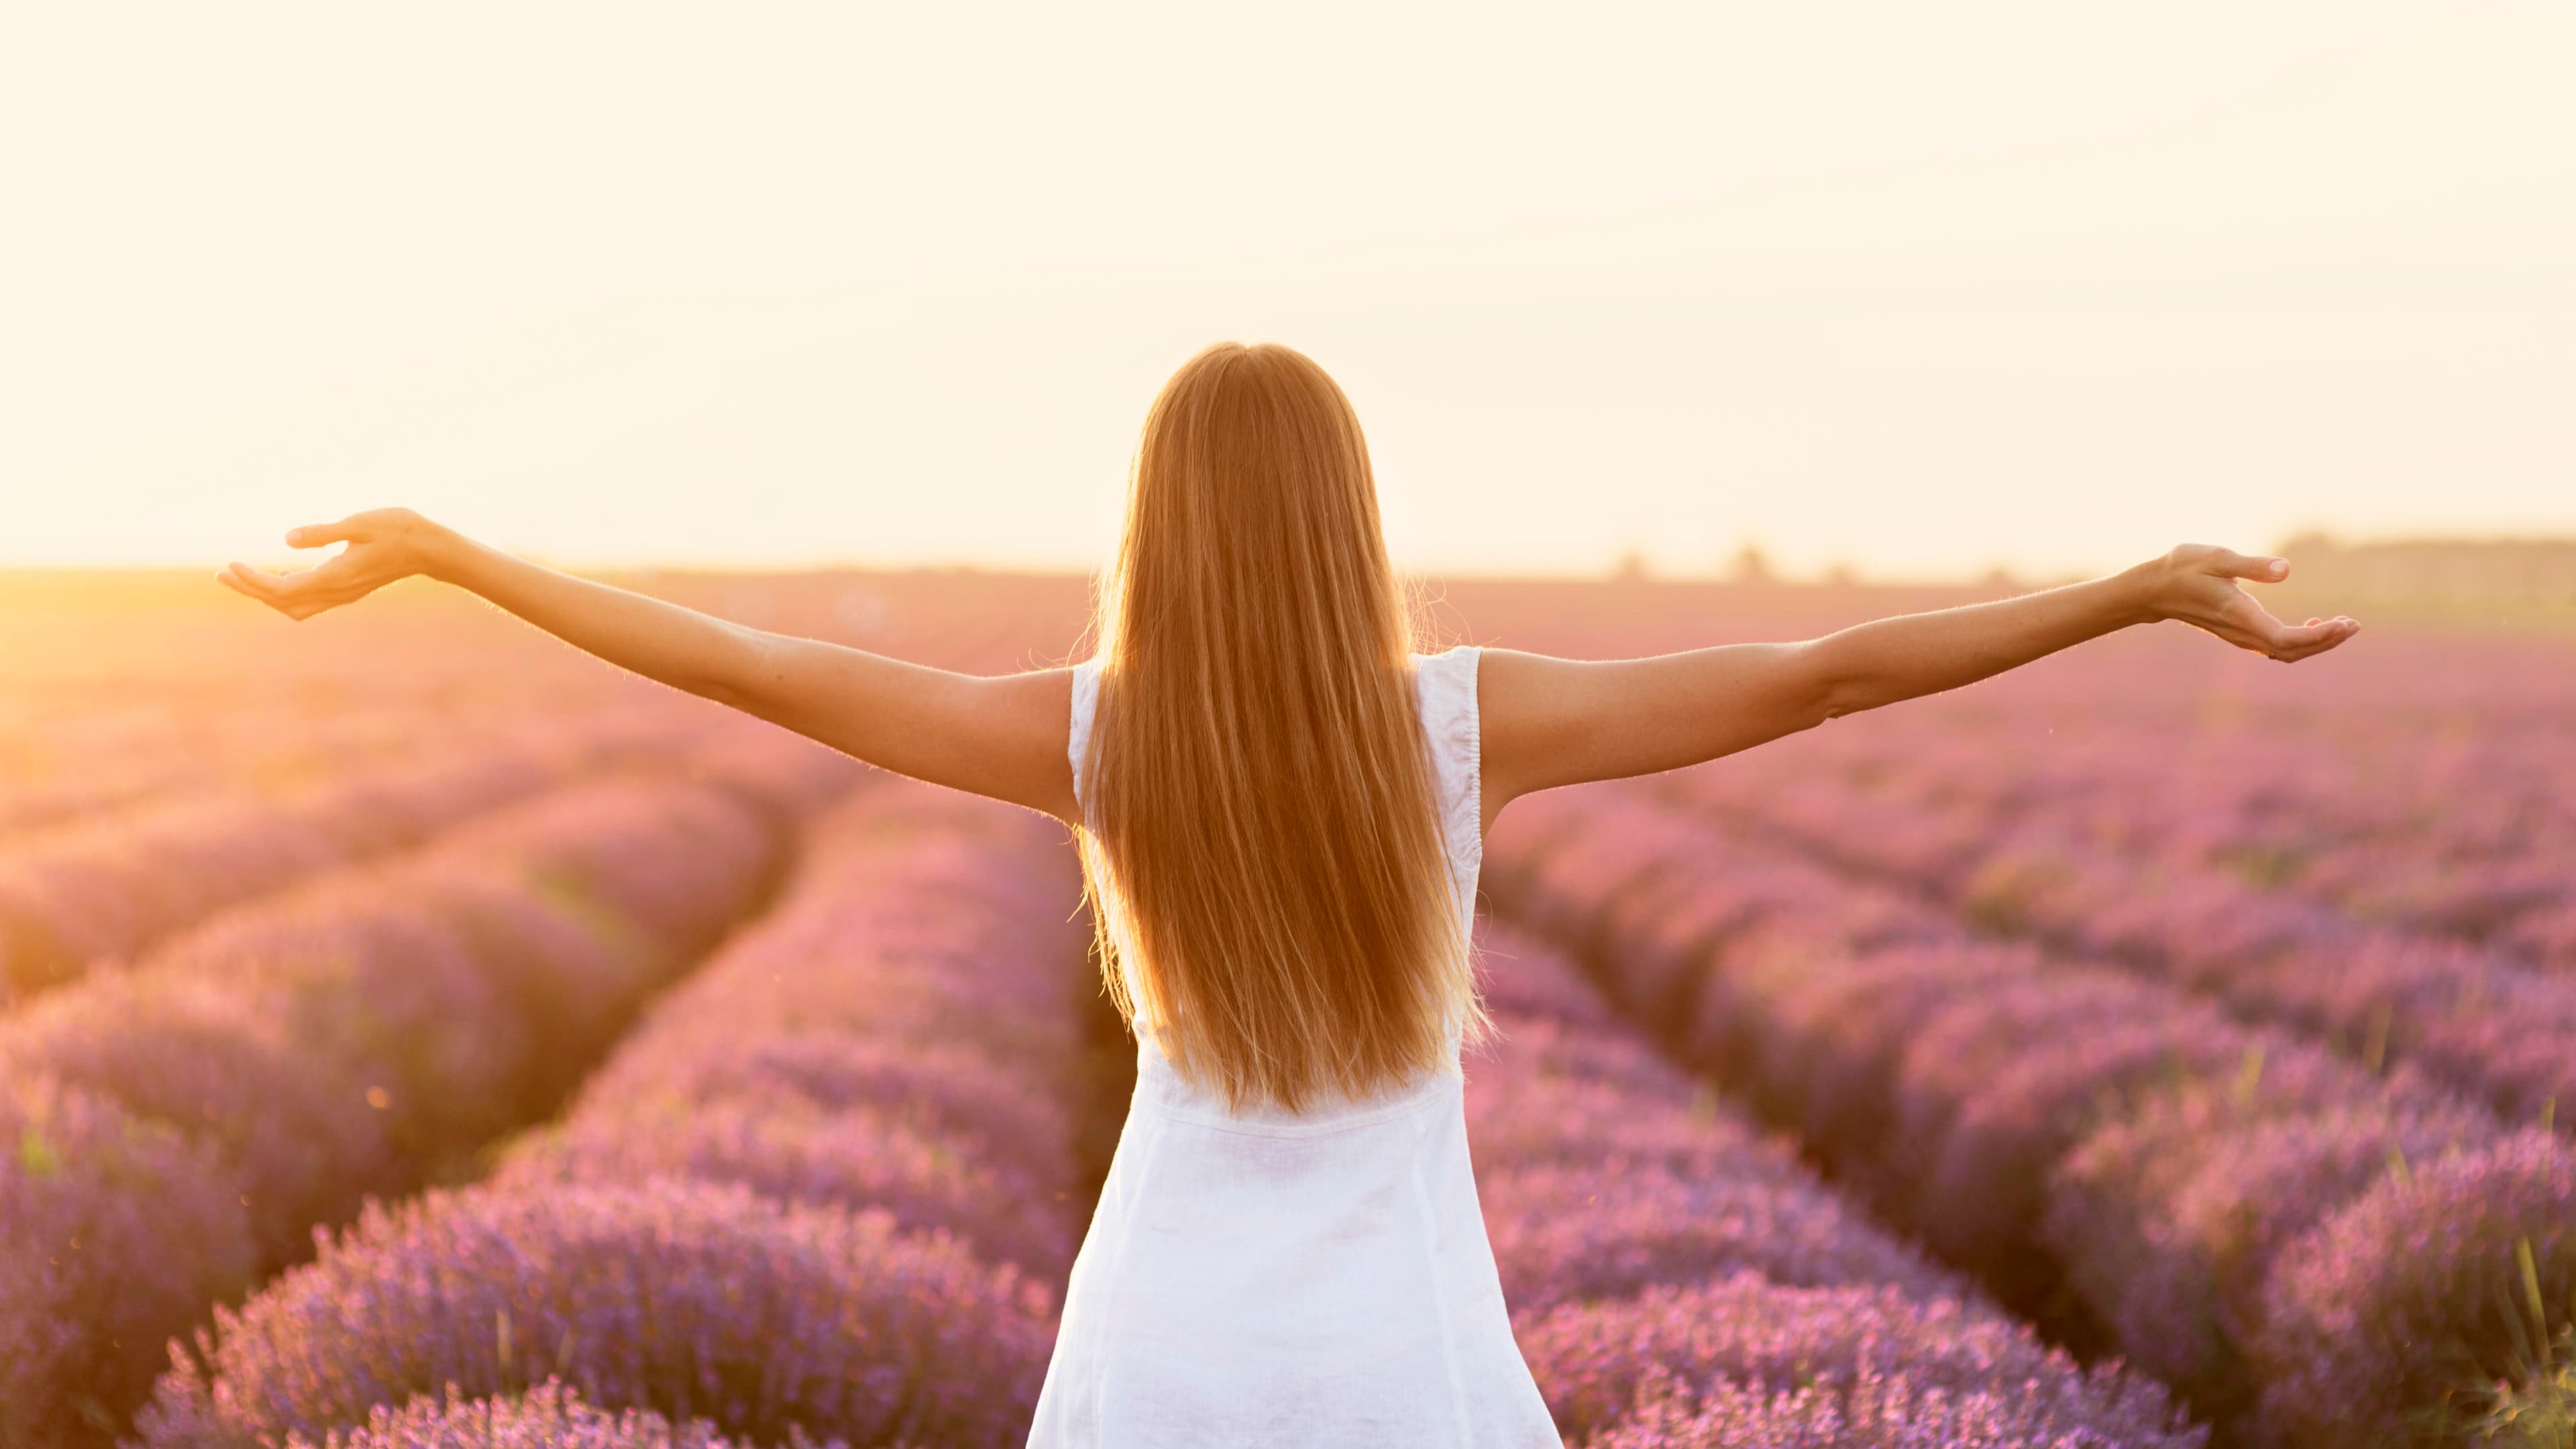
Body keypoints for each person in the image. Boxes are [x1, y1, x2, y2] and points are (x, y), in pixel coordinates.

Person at [219, 340, 2357, 1447]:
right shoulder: (1454, 724)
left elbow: (750, 666)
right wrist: (2131, 596)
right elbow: (1827, 673)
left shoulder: (1094, 735)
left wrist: (459, 555)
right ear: (1349, 522)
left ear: (1155, 527)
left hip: (1161, 1351)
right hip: (1402, 1358)